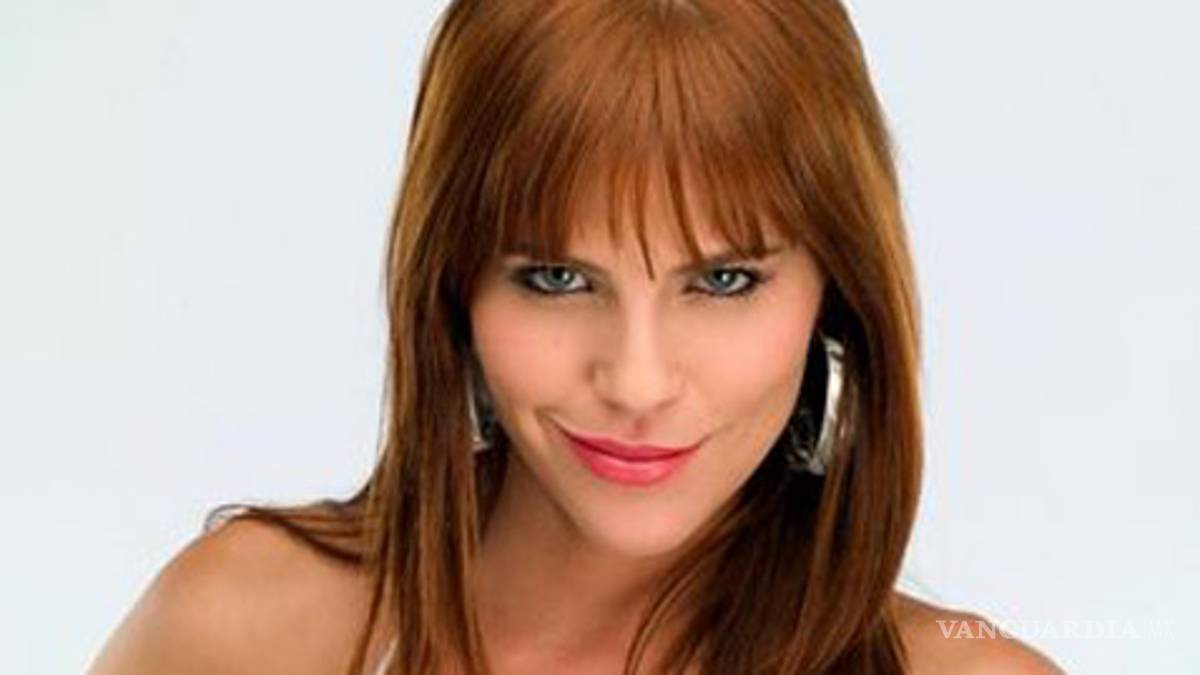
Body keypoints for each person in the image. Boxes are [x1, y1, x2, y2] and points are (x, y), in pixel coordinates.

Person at [90, 1, 1066, 673]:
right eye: (557, 279)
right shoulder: (246, 629)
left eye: (723, 281)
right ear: (454, 286)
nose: (637, 381)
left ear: (837, 298)